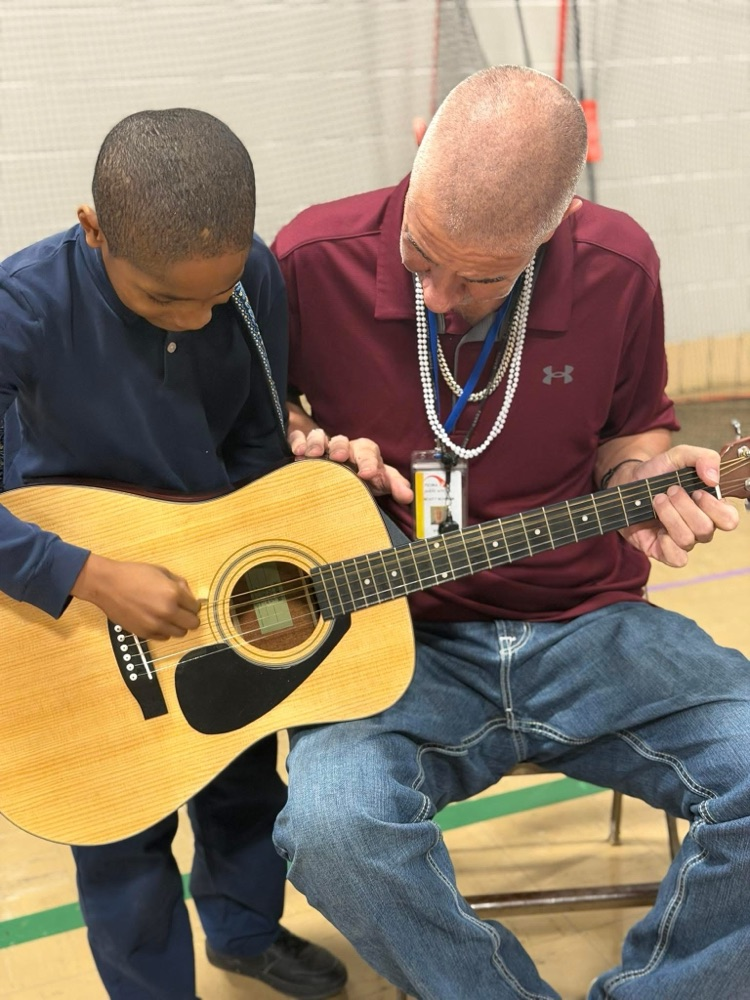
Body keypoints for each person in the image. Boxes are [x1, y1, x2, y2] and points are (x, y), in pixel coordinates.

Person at [271, 66, 750, 999]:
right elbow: (257, 439)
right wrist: (302, 457)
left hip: (587, 624)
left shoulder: (619, 265)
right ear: (416, 154)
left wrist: (641, 476)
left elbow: (631, 432)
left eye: (483, 274)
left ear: (561, 217)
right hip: (396, 643)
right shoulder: (307, 258)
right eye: (421, 256)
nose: (443, 294)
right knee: (331, 828)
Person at [0, 108, 347, 1000]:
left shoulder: (254, 273)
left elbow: (258, 441)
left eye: (216, 296)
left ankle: (244, 933)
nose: (196, 319)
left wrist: (265, 538)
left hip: (214, 583)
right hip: (74, 616)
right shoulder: (22, 309)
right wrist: (87, 574)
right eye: (163, 300)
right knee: (120, 836)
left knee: (243, 782)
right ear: (93, 229)